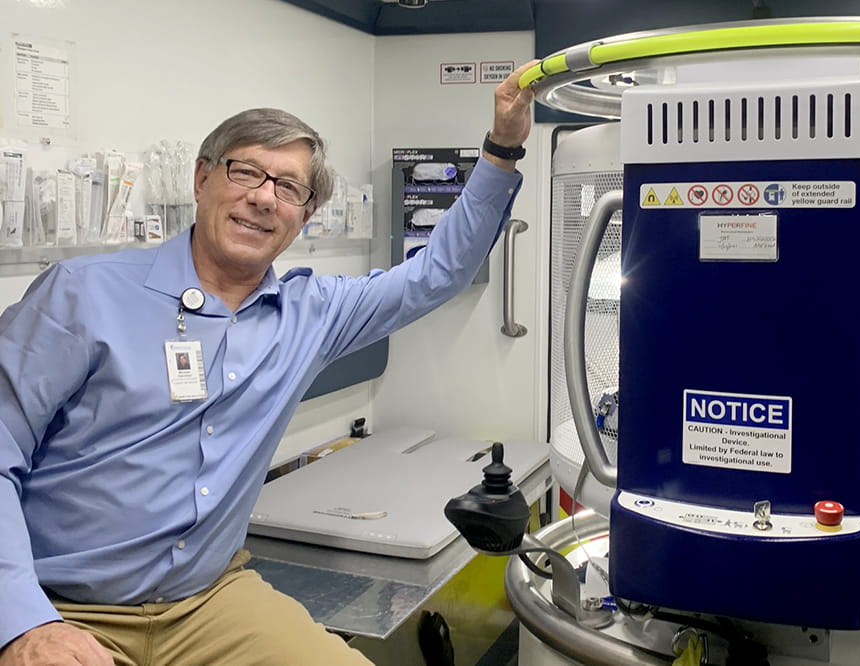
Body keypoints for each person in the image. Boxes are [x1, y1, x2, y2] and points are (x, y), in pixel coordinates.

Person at [0, 61, 536, 666]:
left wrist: (503, 147)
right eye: (246, 171)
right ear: (202, 178)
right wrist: (21, 621)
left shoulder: (312, 314)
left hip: (207, 603)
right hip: (59, 605)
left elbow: (439, 273)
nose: (262, 197)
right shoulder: (80, 295)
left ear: (304, 217)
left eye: (288, 188)